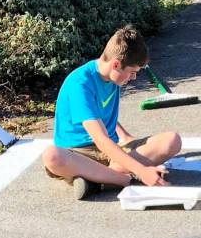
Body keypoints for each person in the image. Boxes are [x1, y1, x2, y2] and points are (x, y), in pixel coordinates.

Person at [42, 26, 182, 200]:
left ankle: (95, 180)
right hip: (79, 154)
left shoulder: (112, 77)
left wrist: (126, 138)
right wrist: (141, 171)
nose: (133, 78)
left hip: (111, 152)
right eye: (132, 72)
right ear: (116, 64)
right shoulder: (80, 84)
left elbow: (100, 114)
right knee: (52, 156)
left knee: (171, 141)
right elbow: (101, 139)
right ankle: (125, 180)